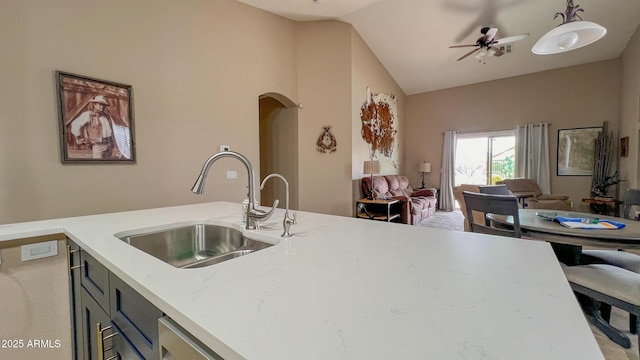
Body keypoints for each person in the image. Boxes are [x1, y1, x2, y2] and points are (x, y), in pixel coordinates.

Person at [70, 95, 115, 159]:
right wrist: (78, 138)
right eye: (100, 104)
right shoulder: (88, 115)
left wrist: (111, 144)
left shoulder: (107, 117)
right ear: (94, 104)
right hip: (98, 146)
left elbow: (111, 131)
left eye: (104, 105)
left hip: (109, 145)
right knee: (98, 166)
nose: (102, 106)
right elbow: (75, 124)